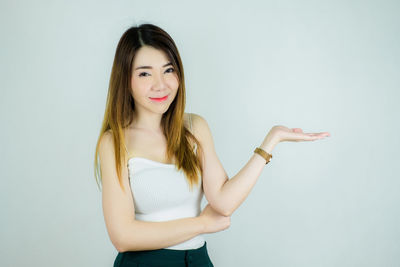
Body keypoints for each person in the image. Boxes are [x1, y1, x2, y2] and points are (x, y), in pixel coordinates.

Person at [94, 23, 330, 267]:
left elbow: (223, 203)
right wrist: (202, 224)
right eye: (145, 73)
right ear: (126, 79)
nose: (160, 84)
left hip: (197, 260)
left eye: (168, 70)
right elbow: (123, 237)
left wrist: (271, 141)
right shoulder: (114, 142)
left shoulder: (195, 128)